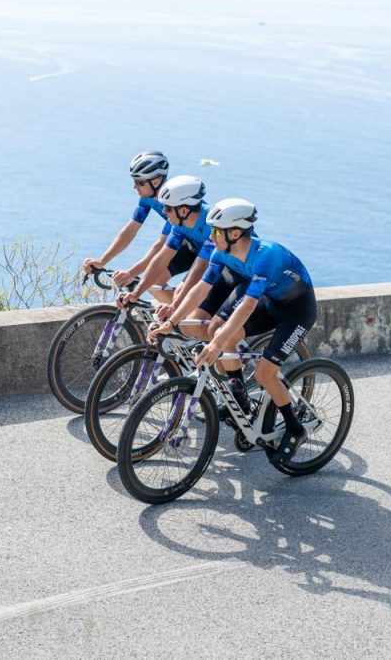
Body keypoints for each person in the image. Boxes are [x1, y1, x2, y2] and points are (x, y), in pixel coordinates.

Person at [149, 198, 317, 463]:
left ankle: (295, 428)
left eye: (216, 231)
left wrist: (216, 345)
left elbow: (248, 306)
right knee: (219, 329)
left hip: (297, 310)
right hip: (271, 302)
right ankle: (238, 392)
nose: (211, 235)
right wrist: (172, 321)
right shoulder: (221, 252)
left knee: (264, 373)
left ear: (235, 233)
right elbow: (200, 290)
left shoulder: (266, 256)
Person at [82, 151, 177, 302]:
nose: (134, 186)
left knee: (152, 281)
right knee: (152, 281)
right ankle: (178, 320)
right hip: (185, 243)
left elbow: (161, 245)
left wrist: (131, 273)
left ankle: (183, 317)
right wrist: (102, 261)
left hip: (204, 249)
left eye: (140, 182)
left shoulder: (173, 202)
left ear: (157, 181)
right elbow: (130, 229)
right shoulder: (147, 198)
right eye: (134, 181)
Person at [115, 175, 214, 314]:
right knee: (157, 282)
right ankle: (183, 321)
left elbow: (201, 267)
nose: (163, 212)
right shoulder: (179, 224)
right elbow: (161, 258)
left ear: (184, 211)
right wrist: (135, 294)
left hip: (230, 267)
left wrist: (175, 306)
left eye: (167, 208)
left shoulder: (213, 227)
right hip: (197, 250)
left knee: (195, 309)